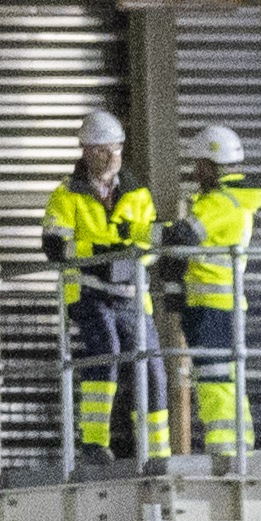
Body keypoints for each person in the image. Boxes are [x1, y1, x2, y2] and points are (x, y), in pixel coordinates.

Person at [42, 107, 161, 464]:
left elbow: (152, 244)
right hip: (87, 291)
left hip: (129, 292)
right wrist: (102, 254)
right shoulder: (66, 196)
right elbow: (53, 245)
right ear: (86, 152)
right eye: (104, 150)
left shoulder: (139, 194)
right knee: (105, 348)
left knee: (152, 366)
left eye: (118, 149)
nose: (113, 158)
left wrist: (130, 259)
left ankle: (157, 453)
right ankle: (94, 444)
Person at [171, 121, 261, 461]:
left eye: (198, 164)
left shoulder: (219, 203)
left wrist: (135, 235)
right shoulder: (236, 201)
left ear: (210, 165)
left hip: (210, 306)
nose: (195, 171)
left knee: (213, 380)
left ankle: (226, 452)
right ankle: (240, 446)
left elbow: (182, 236)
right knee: (228, 378)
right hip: (226, 303)